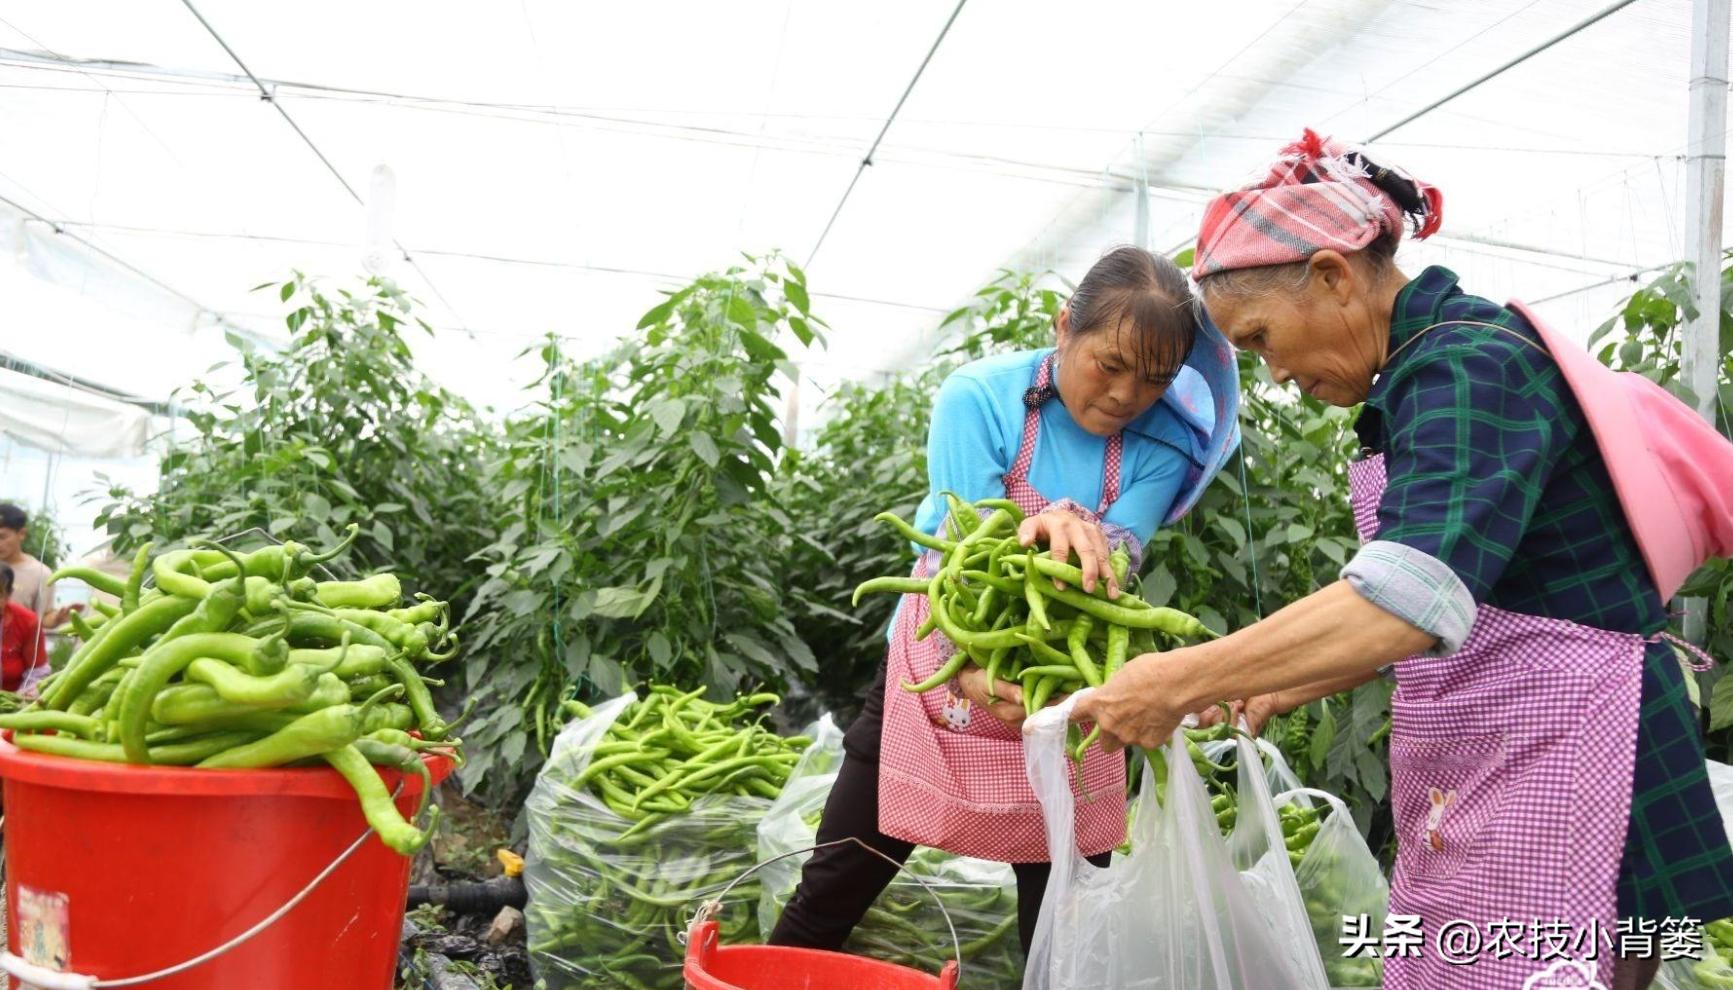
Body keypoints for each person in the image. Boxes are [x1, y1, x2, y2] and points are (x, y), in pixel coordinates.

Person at [1071, 130, 1733, 990]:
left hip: (1571, 751)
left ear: (1332, 276)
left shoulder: (1468, 367)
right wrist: (1283, 677)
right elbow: (1477, 588)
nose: (1272, 372)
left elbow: (1405, 597)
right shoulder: (1428, 371)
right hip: (1522, 735)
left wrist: (1177, 680)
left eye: (1263, 337)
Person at [770, 246, 1241, 955]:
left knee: (1065, 928)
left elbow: (1111, 564)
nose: (1123, 396)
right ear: (1062, 328)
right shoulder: (979, 395)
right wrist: (973, 655)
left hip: (1064, 685)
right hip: (940, 661)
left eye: (1152, 379)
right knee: (834, 886)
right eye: (1106, 365)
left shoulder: (1167, 444)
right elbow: (964, 552)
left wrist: (1081, 536)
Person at [0, 503, 56, 621]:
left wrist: (58, 618)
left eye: (2, 537)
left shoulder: (40, 573)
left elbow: (43, 618)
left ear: (21, 534)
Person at [1, 562, 49, 694]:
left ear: (8, 594)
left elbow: (37, 671)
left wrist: (18, 700)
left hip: (13, 702)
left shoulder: (27, 621)